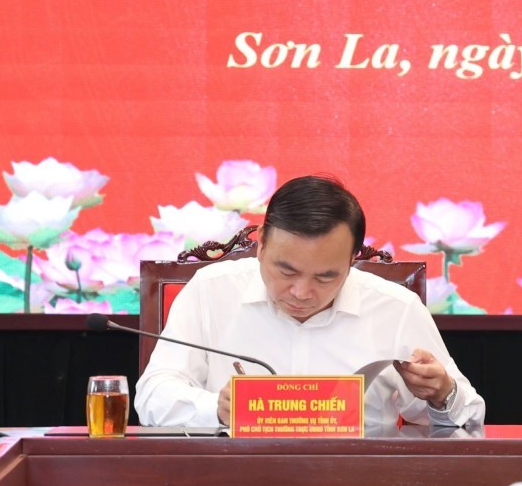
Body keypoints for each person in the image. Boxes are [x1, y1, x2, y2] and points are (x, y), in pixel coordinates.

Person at [135, 175, 484, 430]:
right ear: (261, 245)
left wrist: (441, 394)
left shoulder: (395, 307)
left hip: (359, 483)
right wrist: (218, 408)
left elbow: (468, 419)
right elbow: (152, 398)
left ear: (352, 259)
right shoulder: (211, 291)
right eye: (286, 271)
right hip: (235, 480)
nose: (301, 292)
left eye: (325, 277)